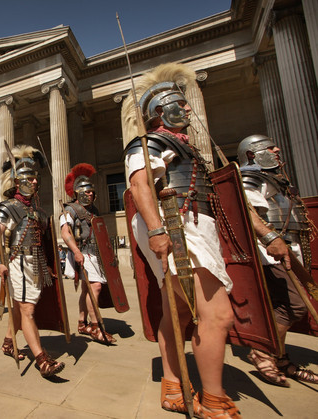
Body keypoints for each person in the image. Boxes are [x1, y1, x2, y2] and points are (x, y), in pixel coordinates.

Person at [122, 63, 239, 417]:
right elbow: (140, 185)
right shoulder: (150, 142)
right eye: (179, 102)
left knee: (185, 311)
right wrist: (157, 230)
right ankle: (214, 399)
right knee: (218, 316)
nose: (188, 108)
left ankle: (172, 384)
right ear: (159, 111)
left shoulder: (185, 147)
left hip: (194, 227)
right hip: (176, 230)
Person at [238, 134, 318, 385]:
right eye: (270, 147)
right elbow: (249, 214)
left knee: (283, 306)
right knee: (293, 306)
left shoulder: (274, 180)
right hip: (270, 253)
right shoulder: (251, 178)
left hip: (289, 250)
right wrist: (271, 240)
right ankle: (262, 353)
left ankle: (280, 358)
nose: (277, 149)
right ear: (252, 154)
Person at [0, 144, 65, 378]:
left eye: (36, 179)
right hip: (18, 263)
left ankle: (7, 342)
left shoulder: (37, 211)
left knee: (18, 307)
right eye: (29, 179)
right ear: (17, 181)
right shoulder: (7, 207)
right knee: (27, 309)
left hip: (36, 264)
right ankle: (42, 359)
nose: (35, 182)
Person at [60, 163, 116, 344]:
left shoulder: (94, 210)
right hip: (83, 252)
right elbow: (65, 232)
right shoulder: (70, 209)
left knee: (86, 289)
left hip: (95, 253)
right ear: (78, 192)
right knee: (96, 287)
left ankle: (81, 323)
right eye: (87, 191)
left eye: (92, 191)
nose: (91, 193)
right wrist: (76, 251)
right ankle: (95, 326)